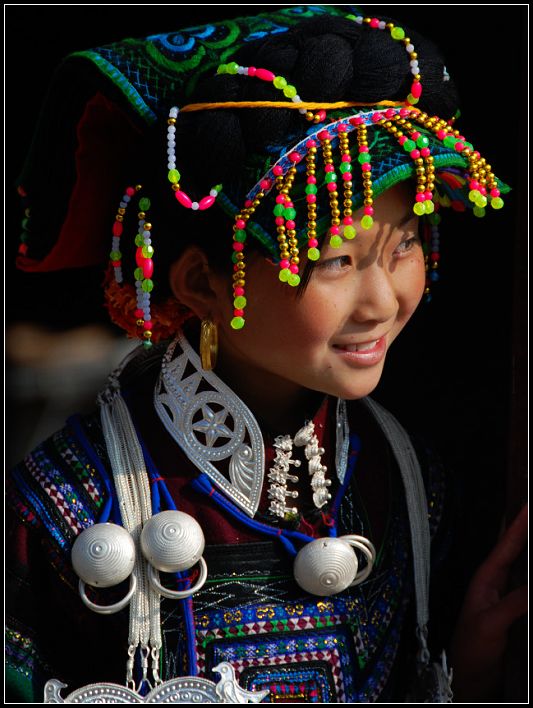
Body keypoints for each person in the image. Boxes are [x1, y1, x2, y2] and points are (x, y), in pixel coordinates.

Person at [6, 6, 527, 704]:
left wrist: (476, 669)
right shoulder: (62, 511)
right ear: (200, 283)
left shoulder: (409, 486)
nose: (380, 300)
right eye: (336, 260)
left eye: (403, 243)